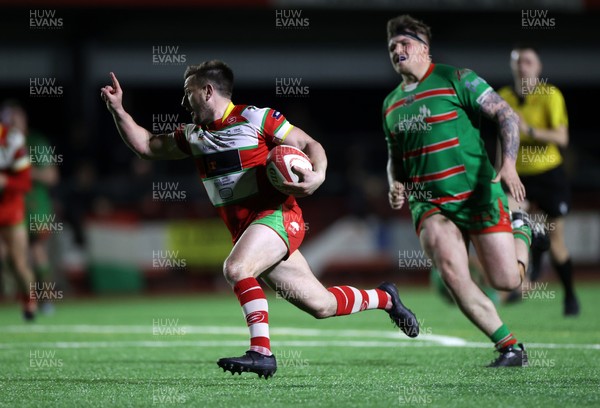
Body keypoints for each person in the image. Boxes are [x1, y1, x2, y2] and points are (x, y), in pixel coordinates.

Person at [101, 60, 419, 379]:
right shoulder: (193, 136)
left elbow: (308, 144)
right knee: (322, 305)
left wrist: (318, 175)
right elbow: (145, 146)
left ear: (207, 91)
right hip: (251, 231)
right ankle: (386, 297)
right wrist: (118, 109)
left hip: (279, 217)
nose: (183, 102)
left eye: (188, 93)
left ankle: (261, 353)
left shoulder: (255, 117)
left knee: (236, 268)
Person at [383, 15, 538, 367]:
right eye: (392, 46)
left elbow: (506, 115)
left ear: (424, 48)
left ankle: (521, 224)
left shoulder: (456, 78)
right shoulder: (390, 104)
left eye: (404, 43)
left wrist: (509, 164)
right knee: (452, 274)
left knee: (507, 281)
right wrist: (395, 182)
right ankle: (509, 347)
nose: (397, 50)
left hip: (477, 195)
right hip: (429, 204)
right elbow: (395, 157)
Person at [498, 45, 579, 316]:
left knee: (557, 241)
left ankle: (569, 296)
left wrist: (528, 129)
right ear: (512, 67)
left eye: (529, 61)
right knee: (507, 221)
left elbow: (562, 138)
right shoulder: (503, 96)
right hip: (517, 175)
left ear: (538, 67)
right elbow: (501, 138)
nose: (523, 66)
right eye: (518, 61)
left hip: (549, 175)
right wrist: (500, 168)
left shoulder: (550, 95)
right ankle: (523, 278)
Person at [0, 102, 36, 320]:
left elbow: (25, 184)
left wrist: (5, 181)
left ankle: (29, 300)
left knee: (19, 262)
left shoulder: (14, 142)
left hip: (11, 208)